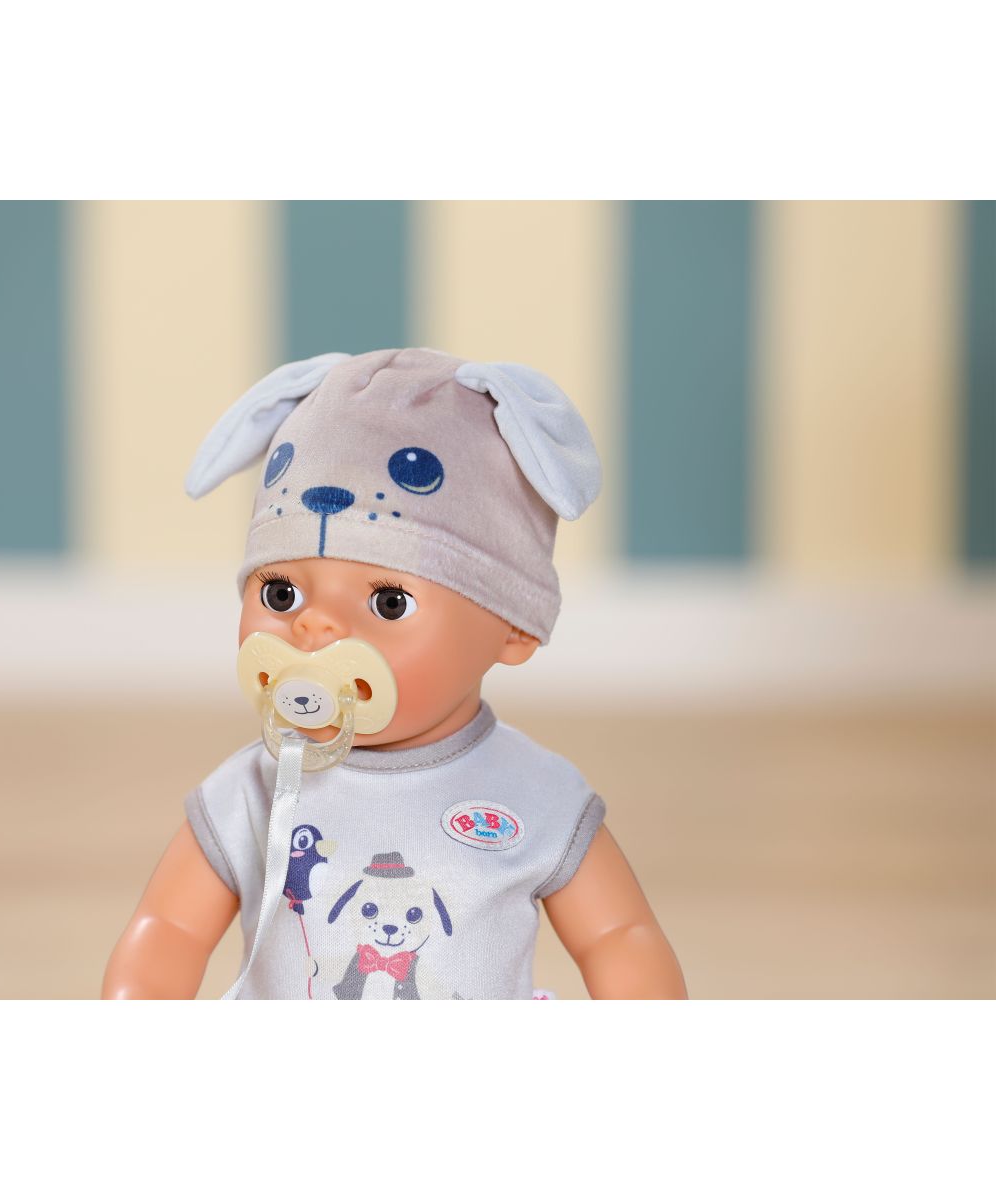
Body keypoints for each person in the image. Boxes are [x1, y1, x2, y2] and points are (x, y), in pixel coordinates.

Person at [102, 348, 686, 1000]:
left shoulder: (534, 793)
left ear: (514, 626)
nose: (314, 628)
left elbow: (619, 937)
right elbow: (168, 930)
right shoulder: (256, 791)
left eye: (388, 603)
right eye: (281, 594)